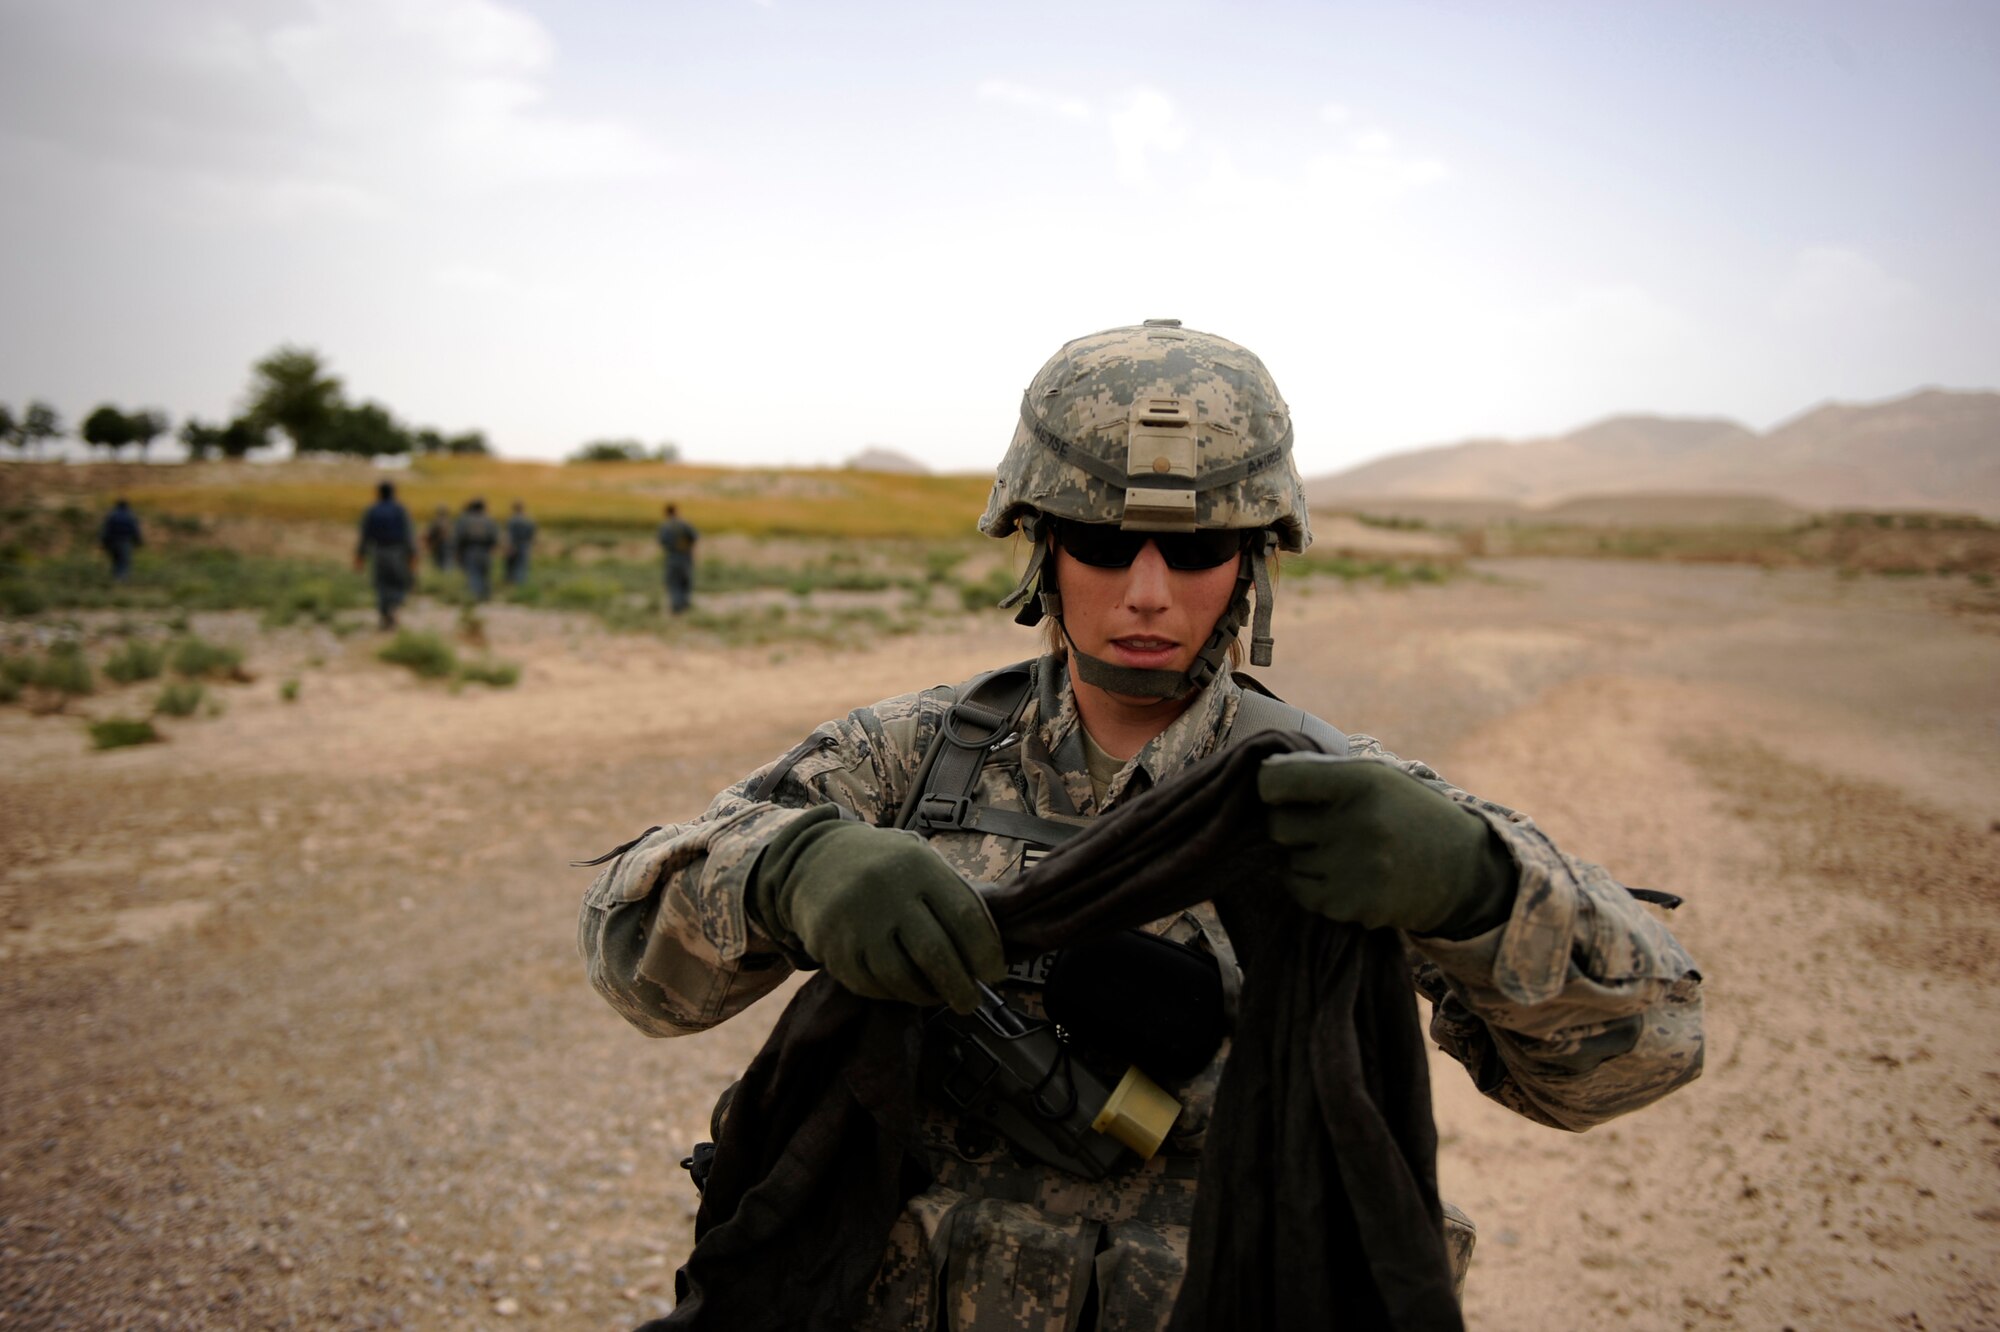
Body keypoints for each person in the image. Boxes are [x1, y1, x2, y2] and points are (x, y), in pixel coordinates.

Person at [579, 321, 1705, 1329]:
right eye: (1104, 543)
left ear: (1253, 561)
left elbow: (1634, 1059)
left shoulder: (1329, 802)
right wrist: (786, 870)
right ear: (1041, 547)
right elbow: (635, 966)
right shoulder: (905, 761)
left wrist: (1479, 889)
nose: (1149, 593)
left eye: (1199, 550)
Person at [354, 480, 416, 630]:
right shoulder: (400, 510)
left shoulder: (372, 511)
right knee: (398, 581)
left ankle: (384, 612)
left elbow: (365, 535)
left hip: (379, 551)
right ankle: (393, 608)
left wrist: (360, 555)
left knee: (381, 583)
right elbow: (408, 534)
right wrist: (412, 554)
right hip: (397, 551)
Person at [454, 497, 499, 603]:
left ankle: (475, 597)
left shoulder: (465, 520)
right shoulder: (489, 520)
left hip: (470, 550)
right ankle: (485, 597)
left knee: (473, 574)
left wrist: (458, 552)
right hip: (485, 551)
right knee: (485, 574)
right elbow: (494, 538)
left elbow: (459, 538)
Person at [656, 503, 699, 613]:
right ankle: (685, 606)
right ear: (676, 511)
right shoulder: (684, 524)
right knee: (685, 582)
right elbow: (695, 537)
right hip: (685, 557)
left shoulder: (665, 526)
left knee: (673, 583)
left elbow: (661, 542)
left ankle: (676, 607)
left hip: (672, 557)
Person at [98, 498, 143, 582]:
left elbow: (106, 531)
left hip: (113, 542)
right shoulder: (130, 516)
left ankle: (115, 578)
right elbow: (135, 531)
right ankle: (122, 580)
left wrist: (104, 543)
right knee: (123, 561)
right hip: (125, 541)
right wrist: (138, 542)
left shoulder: (111, 516)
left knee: (115, 561)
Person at [504, 500, 537, 587]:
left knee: (512, 566)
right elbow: (532, 535)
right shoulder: (528, 520)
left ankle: (512, 584)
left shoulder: (512, 520)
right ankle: (521, 585)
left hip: (514, 545)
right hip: (525, 545)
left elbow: (510, 535)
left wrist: (509, 547)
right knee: (522, 566)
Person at [424, 503, 454, 572]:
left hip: (440, 544)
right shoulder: (448, 521)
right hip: (446, 544)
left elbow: (431, 533)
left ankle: (442, 573)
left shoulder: (436, 521)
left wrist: (431, 543)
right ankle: (445, 574)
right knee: (446, 561)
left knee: (440, 561)